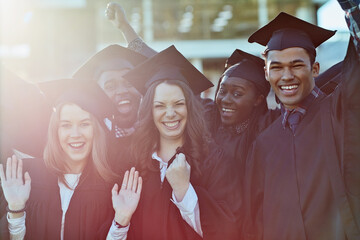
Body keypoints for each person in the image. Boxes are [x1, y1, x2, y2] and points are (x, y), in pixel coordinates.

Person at [242, 2, 360, 239]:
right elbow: (253, 221)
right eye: (276, 67)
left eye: (297, 65)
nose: (287, 76)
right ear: (266, 73)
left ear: (314, 68)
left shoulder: (341, 111)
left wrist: (351, 7)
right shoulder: (263, 144)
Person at [120, 45, 240, 240]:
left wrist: (185, 192)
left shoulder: (214, 160)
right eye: (159, 106)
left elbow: (228, 231)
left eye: (178, 104)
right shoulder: (134, 161)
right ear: (149, 111)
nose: (170, 113)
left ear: (190, 107)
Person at [0, 79, 142, 240]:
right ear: (56, 131)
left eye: (84, 124)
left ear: (97, 131)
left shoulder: (114, 187)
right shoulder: (26, 178)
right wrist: (16, 209)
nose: (75, 134)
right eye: (66, 125)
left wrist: (121, 220)